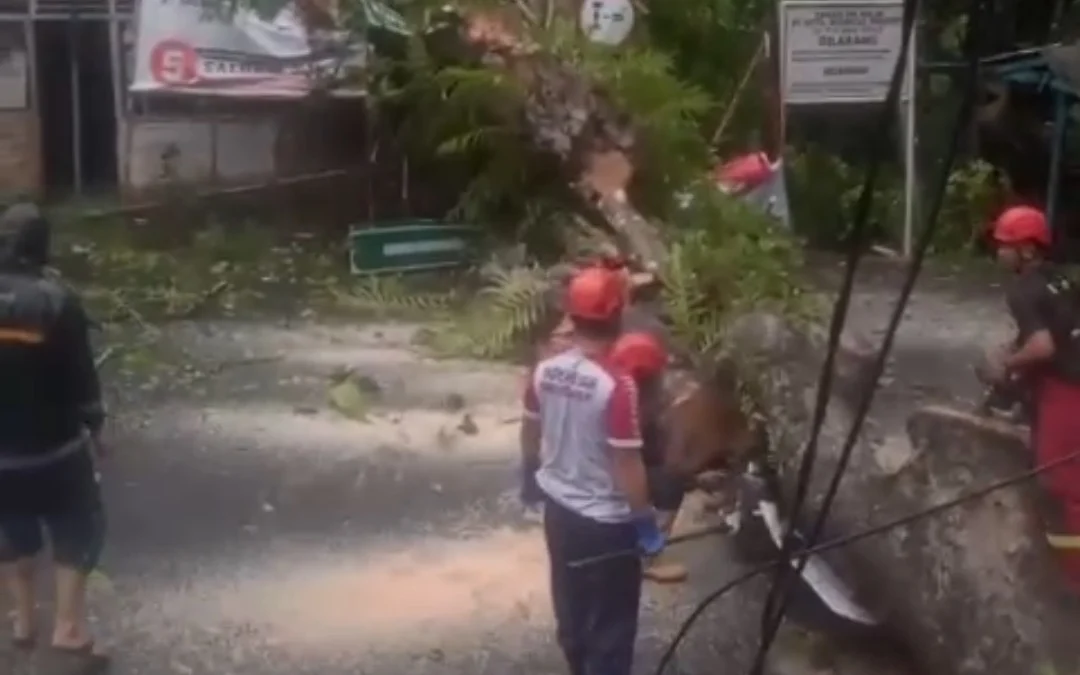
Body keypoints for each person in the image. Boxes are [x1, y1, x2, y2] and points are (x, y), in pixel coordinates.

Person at [520, 264, 665, 675]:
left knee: (571, 607)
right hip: (606, 524)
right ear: (618, 317)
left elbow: (529, 429)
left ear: (573, 316)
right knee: (612, 626)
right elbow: (626, 462)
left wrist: (530, 475)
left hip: (559, 513)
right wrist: (645, 524)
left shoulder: (545, 370)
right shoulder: (617, 385)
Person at [0, 202, 110, 669]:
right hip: (55, 450)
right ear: (43, 247)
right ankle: (67, 626)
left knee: (8, 526)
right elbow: (82, 380)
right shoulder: (59, 301)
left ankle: (23, 621)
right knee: (80, 522)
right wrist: (97, 427)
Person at [981, 204, 1080, 592]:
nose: (999, 251)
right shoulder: (1061, 279)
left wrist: (1007, 363)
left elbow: (1042, 346)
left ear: (1027, 250)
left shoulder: (1023, 290)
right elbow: (1060, 327)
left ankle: (1073, 582)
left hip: (1067, 390)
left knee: (1061, 483)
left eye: (1006, 245)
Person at [608, 330, 690, 584]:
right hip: (617, 478)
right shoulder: (635, 404)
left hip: (599, 476)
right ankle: (646, 556)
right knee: (672, 482)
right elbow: (634, 461)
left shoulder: (611, 386)